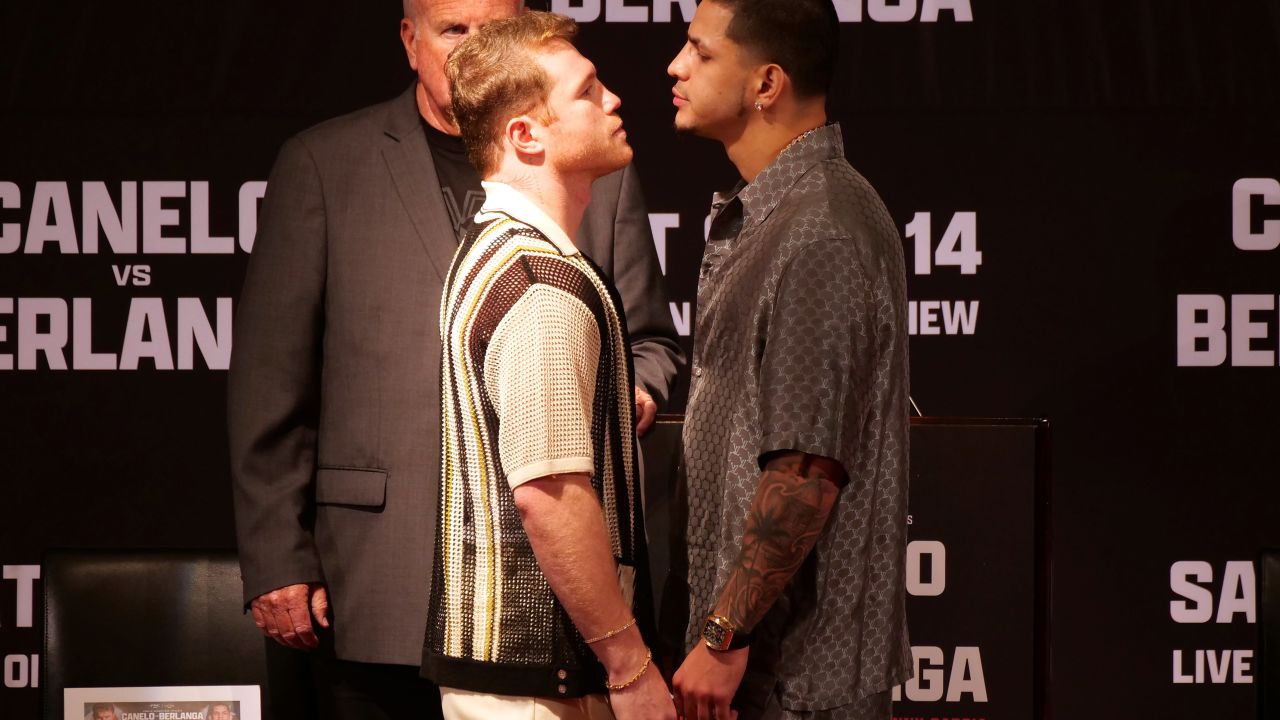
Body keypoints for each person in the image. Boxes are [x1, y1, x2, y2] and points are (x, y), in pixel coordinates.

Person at [227, 0, 682, 716]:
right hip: (380, 573)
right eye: (455, 31)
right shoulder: (326, 165)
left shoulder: (590, 177)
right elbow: (269, 378)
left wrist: (618, 395)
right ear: (410, 41)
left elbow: (647, 342)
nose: (476, 51)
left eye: (496, 32)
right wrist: (277, 554)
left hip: (537, 603)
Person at [421, 11, 676, 720]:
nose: (614, 100)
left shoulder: (496, 249)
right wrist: (629, 669)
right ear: (525, 135)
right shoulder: (537, 283)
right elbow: (548, 495)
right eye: (588, 92)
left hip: (524, 683)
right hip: (545, 691)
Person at [665, 1, 912, 719]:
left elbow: (807, 471)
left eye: (700, 51)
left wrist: (722, 635)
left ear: (765, 83)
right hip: (766, 671)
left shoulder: (822, 232)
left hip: (799, 684)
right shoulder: (779, 213)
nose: (676, 67)